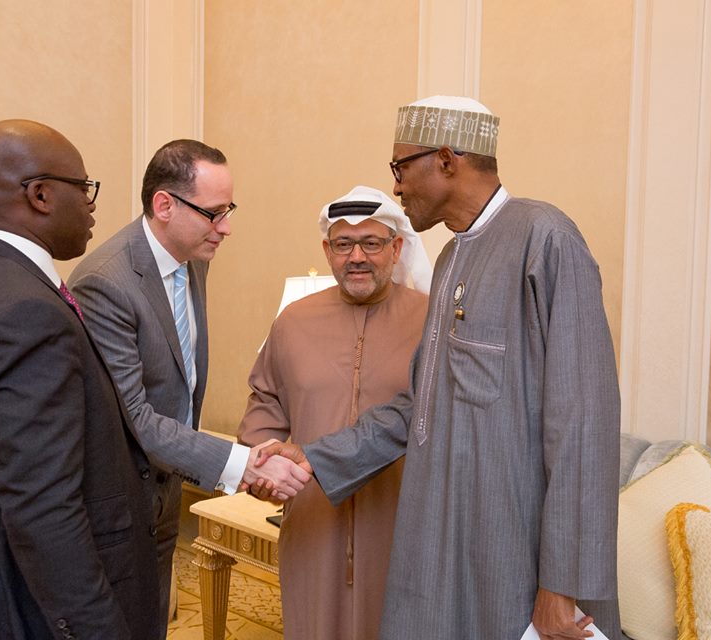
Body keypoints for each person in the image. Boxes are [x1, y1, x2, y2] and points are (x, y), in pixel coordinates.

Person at [253, 96, 622, 640]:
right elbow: (420, 404)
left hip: (513, 556)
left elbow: (584, 427)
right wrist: (313, 453)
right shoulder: (451, 259)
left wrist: (560, 587)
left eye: (401, 168)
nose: (396, 187)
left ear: (447, 160)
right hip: (441, 545)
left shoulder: (545, 239)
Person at [0, 119, 162, 639]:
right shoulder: (27, 310)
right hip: (20, 604)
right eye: (85, 187)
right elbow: (42, 505)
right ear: (41, 194)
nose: (92, 204)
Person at [68, 139, 310, 627]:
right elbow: (135, 416)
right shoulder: (105, 283)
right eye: (214, 213)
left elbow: (180, 377)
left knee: (154, 619)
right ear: (164, 206)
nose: (226, 227)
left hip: (166, 489)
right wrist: (242, 464)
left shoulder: (193, 257)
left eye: (229, 210)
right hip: (118, 499)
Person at [238, 186, 431, 640]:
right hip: (312, 526)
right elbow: (265, 403)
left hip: (403, 529)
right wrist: (265, 467)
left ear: (397, 248)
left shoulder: (431, 321)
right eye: (343, 244)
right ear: (327, 251)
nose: (357, 257)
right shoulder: (293, 321)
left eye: (372, 243)